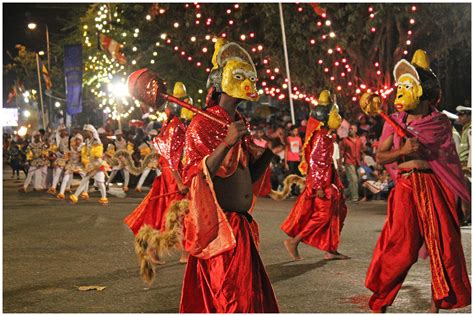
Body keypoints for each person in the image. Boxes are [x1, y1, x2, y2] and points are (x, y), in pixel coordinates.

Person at [364, 49, 471, 313]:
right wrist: (402, 151)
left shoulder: (440, 122)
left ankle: (436, 306)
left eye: (407, 85)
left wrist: (460, 197)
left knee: (443, 246)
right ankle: (379, 303)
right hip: (407, 188)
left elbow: (449, 164)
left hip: (435, 187)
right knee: (402, 249)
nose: (400, 91)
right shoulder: (395, 121)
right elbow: (380, 156)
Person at [179, 39, 279, 312]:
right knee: (232, 301)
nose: (247, 82)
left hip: (241, 227)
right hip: (221, 230)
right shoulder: (202, 122)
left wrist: (270, 153)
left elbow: (246, 177)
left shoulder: (237, 122)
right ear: (221, 82)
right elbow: (196, 174)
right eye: (239, 76)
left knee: (249, 300)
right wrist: (227, 142)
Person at [124, 81, 189, 263]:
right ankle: (184, 253)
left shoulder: (170, 126)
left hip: (170, 173)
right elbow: (170, 155)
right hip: (174, 175)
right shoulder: (176, 127)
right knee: (181, 214)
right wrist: (179, 181)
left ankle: (155, 250)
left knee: (163, 211)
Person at [281, 90, 349, 261]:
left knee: (335, 213)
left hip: (327, 181)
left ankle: (331, 249)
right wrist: (319, 186)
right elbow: (316, 161)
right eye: (335, 114)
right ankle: (294, 241)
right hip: (322, 184)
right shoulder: (321, 137)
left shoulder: (324, 135)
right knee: (323, 214)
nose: (338, 118)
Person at [69, 125, 109, 204]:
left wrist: (97, 154)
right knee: (85, 180)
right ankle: (75, 197)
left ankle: (104, 198)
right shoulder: (87, 141)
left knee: (100, 182)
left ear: (90, 132)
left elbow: (99, 151)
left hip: (98, 164)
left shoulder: (96, 141)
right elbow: (86, 151)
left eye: (85, 131)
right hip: (91, 164)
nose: (84, 133)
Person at [56, 133, 85, 200]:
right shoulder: (70, 147)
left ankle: (85, 193)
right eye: (77, 139)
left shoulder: (83, 148)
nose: (78, 141)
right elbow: (66, 157)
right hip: (70, 164)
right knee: (66, 177)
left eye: (79, 140)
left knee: (85, 177)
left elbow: (85, 158)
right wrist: (65, 159)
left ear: (81, 140)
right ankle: (61, 193)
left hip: (79, 165)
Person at [340, 124, 362, 201]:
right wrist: (341, 163)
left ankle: (345, 193)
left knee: (359, 179)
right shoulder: (345, 140)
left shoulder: (359, 140)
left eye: (352, 129)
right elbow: (342, 152)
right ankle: (355, 197)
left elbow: (361, 151)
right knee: (354, 179)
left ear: (356, 130)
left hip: (358, 161)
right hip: (349, 161)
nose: (350, 130)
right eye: (350, 129)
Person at [48, 125, 69, 195]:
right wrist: (54, 155)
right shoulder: (56, 139)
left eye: (64, 130)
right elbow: (53, 149)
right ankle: (53, 188)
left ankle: (66, 188)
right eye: (61, 131)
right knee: (57, 173)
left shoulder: (68, 139)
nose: (63, 132)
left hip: (68, 158)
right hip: (59, 157)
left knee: (67, 174)